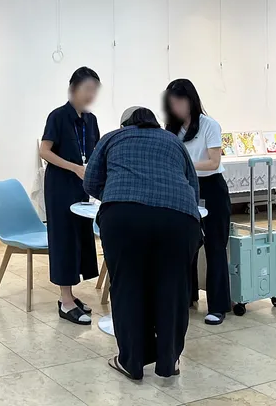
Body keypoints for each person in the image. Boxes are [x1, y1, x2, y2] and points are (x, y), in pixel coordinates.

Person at [85, 106, 201, 381]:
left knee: (127, 286)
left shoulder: (113, 137)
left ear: (124, 124)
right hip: (178, 219)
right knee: (173, 289)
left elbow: (90, 182)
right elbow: (193, 187)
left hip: (124, 218)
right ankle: (169, 362)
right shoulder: (173, 141)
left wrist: (117, 192)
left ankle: (131, 362)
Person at [164, 78, 231, 325]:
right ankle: (188, 297)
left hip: (211, 188)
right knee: (186, 245)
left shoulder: (209, 125)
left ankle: (218, 306)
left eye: (179, 102)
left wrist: (184, 165)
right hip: (185, 189)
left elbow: (213, 162)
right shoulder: (172, 129)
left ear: (190, 100)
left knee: (215, 247)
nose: (175, 108)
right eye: (171, 103)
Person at [39, 67, 101, 325]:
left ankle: (71, 294)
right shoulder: (57, 116)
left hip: (81, 186)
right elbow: (44, 151)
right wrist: (74, 167)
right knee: (64, 239)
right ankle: (65, 301)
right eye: (87, 89)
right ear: (73, 88)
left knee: (80, 238)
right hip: (60, 185)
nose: (90, 95)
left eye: (94, 90)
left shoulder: (91, 120)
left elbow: (95, 151)